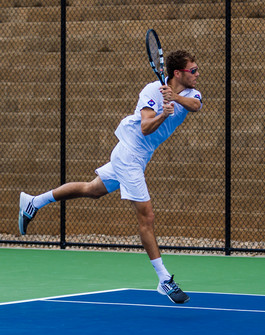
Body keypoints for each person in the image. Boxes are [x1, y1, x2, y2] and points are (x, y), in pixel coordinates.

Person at [18, 50, 202, 304]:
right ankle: (164, 280)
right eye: (193, 70)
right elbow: (146, 128)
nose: (197, 74)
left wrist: (175, 99)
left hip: (139, 157)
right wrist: (163, 113)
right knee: (146, 216)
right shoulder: (151, 92)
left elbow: (196, 106)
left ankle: (34, 202)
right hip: (129, 154)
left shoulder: (191, 93)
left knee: (92, 189)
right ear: (179, 73)